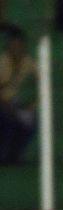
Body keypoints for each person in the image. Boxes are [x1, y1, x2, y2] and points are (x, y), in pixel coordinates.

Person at [0, 26, 37, 166]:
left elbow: (39, 84)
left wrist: (32, 106)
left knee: (31, 122)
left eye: (19, 45)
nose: (16, 48)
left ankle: (15, 155)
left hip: (18, 105)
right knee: (7, 119)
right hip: (3, 105)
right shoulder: (2, 62)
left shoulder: (29, 63)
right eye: (13, 44)